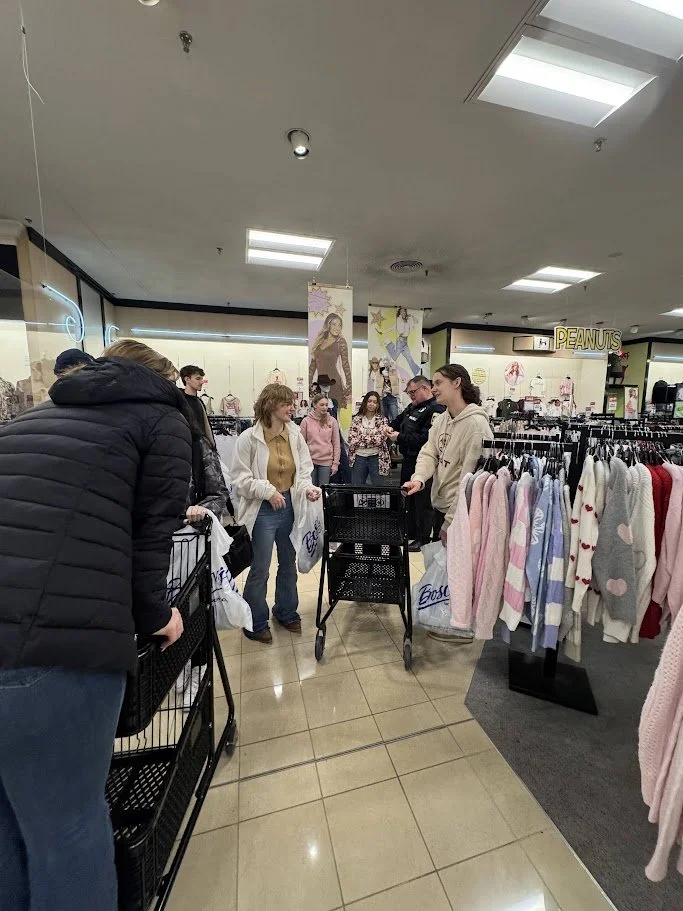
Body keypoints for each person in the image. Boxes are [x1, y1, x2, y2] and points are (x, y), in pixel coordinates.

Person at [0, 338, 192, 911]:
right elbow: (153, 536)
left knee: (9, 825)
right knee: (69, 828)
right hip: (56, 643)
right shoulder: (162, 418)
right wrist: (158, 616)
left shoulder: (32, 418)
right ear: (162, 378)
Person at [232, 383, 320, 644]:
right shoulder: (248, 438)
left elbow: (303, 471)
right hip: (262, 511)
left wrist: (306, 489)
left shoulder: (295, 435)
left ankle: (286, 611)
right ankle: (255, 621)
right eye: (286, 403)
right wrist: (267, 491)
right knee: (260, 567)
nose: (292, 408)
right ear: (270, 405)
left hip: (290, 506)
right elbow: (239, 479)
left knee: (288, 562)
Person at [403, 363, 493, 543]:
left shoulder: (476, 425)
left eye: (438, 383)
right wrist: (419, 479)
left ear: (457, 382)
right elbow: (429, 452)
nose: (433, 389)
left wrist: (450, 522)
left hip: (462, 515)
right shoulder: (442, 418)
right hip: (441, 508)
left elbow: (468, 480)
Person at [385, 375, 445, 549]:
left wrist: (399, 437)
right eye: (409, 393)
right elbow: (399, 420)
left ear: (425, 388)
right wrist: (390, 427)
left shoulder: (436, 409)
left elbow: (425, 439)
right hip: (408, 459)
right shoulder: (413, 406)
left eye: (413, 392)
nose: (411, 396)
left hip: (424, 462)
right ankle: (409, 532)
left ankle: (423, 538)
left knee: (422, 502)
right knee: (408, 498)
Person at [347, 391, 390, 485]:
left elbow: (381, 440)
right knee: (357, 488)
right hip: (359, 458)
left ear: (378, 405)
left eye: (375, 402)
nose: (372, 404)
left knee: (379, 488)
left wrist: (361, 438)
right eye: (369, 401)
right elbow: (351, 439)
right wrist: (372, 439)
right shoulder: (356, 419)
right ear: (365, 402)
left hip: (376, 458)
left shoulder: (383, 420)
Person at [309, 314, 351, 408]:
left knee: (334, 414)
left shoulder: (340, 342)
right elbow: (312, 367)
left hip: (334, 383)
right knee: (319, 412)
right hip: (320, 384)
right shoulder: (319, 342)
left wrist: (349, 385)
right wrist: (309, 383)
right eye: (334, 324)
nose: (337, 327)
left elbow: (345, 364)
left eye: (339, 325)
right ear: (328, 325)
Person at [300, 393, 340, 486]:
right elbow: (301, 444)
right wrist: (301, 462)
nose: (324, 407)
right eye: (321, 405)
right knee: (310, 489)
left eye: (326, 405)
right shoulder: (306, 421)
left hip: (326, 462)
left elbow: (336, 443)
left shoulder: (332, 421)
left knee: (323, 489)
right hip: (309, 462)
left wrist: (335, 463)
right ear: (314, 405)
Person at [180, 364, 215, 444]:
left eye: (202, 379)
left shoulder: (199, 402)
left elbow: (206, 426)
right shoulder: (179, 400)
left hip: (200, 445)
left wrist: (212, 445)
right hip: (184, 444)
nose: (201, 382)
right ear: (187, 379)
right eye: (198, 379)